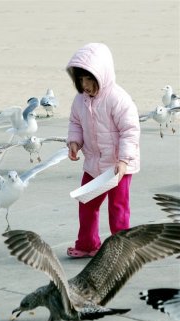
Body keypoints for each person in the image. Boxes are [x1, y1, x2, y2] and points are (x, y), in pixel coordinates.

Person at [66, 43, 140, 258]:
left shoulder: (118, 99)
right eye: (81, 80)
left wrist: (124, 160)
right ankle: (88, 245)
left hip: (118, 167)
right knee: (87, 204)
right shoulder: (79, 101)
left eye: (90, 79)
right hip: (94, 165)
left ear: (103, 76)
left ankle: (121, 251)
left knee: (118, 210)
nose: (85, 85)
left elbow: (130, 131)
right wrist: (74, 142)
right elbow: (75, 123)